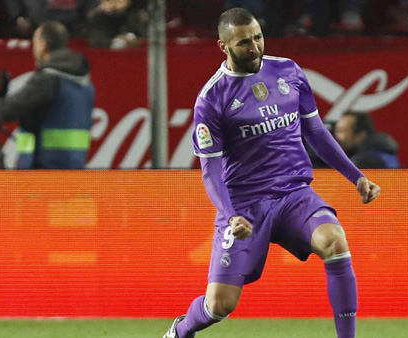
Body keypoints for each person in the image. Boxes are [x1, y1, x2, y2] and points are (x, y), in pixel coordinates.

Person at [163, 8, 380, 338]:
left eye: (257, 37)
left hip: (294, 193)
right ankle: (181, 330)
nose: (254, 47)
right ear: (223, 46)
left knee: (335, 241)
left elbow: (316, 132)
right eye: (243, 43)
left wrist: (356, 176)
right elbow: (211, 172)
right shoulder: (211, 99)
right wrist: (231, 215)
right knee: (220, 304)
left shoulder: (288, 71)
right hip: (245, 205)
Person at [0, 21, 95, 169]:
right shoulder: (85, 81)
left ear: (43, 45)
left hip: (45, 171)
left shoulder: (47, 80)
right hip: (73, 168)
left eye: (34, 43)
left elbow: (5, 110)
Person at [334, 111, 400, 169]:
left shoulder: (364, 162)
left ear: (360, 135)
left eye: (341, 131)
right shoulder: (381, 152)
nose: (335, 136)